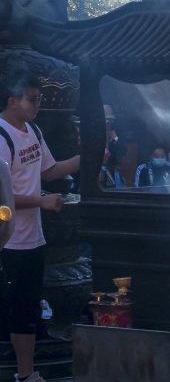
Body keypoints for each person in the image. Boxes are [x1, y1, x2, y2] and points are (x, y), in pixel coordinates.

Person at [0, 68, 79, 382]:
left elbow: (49, 171)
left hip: (34, 237)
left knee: (29, 307)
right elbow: (2, 198)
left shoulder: (33, 131)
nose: (37, 106)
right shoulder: (2, 137)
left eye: (40, 99)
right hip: (9, 240)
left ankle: (26, 373)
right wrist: (42, 202)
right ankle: (24, 373)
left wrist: (85, 157)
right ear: (12, 100)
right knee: (19, 308)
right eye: (32, 100)